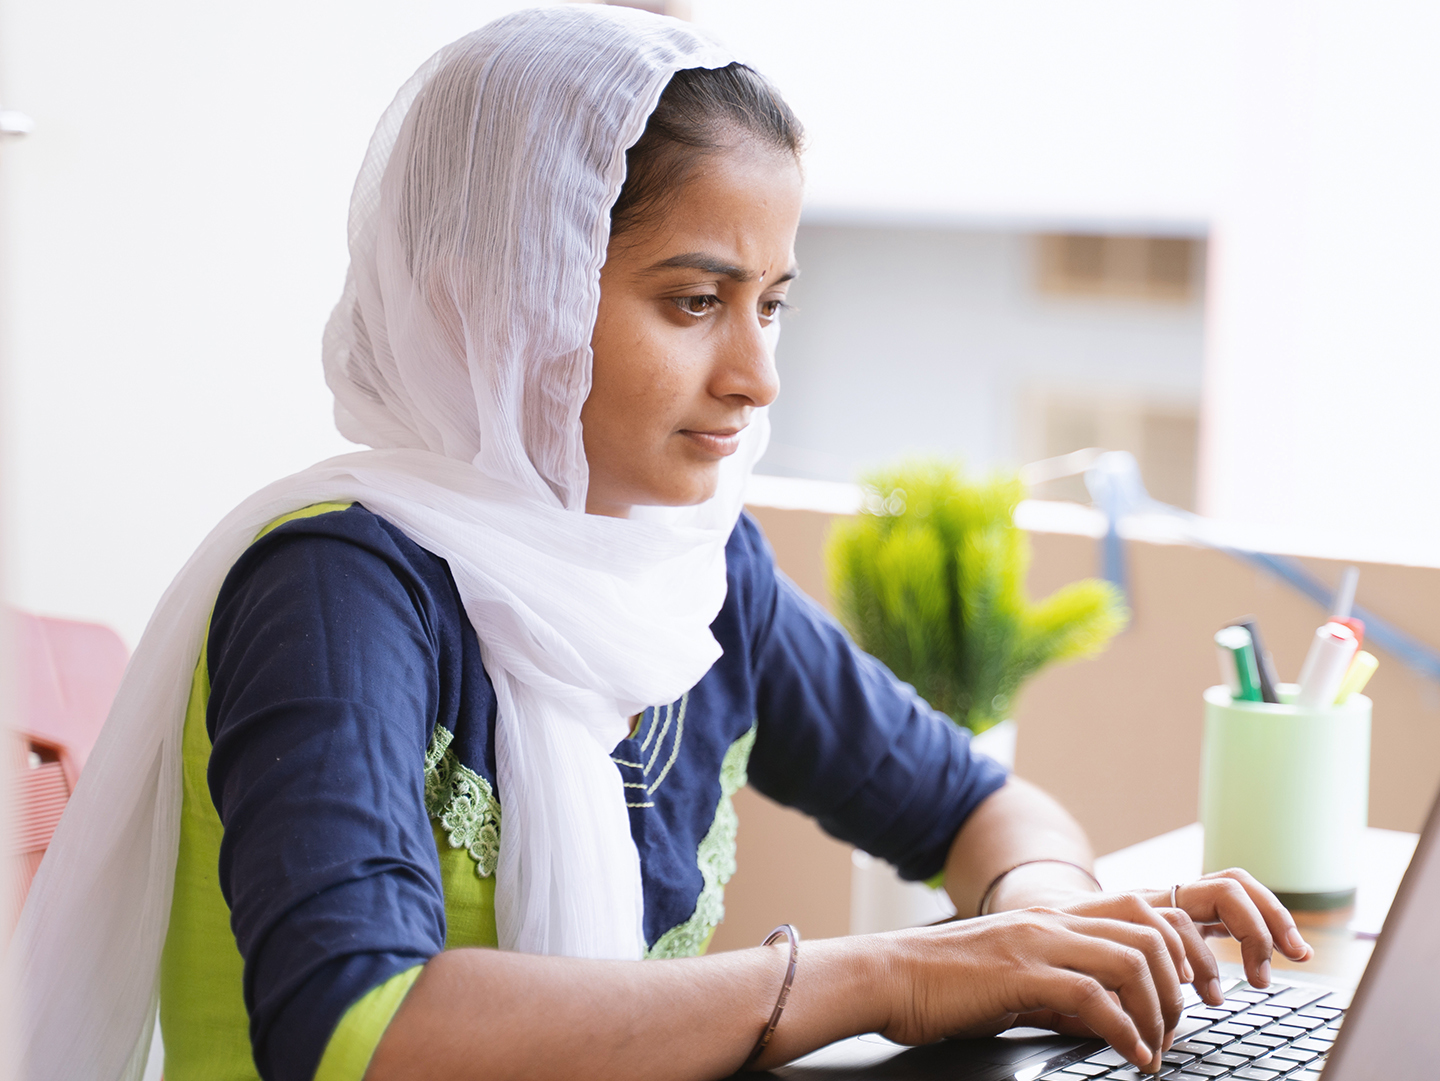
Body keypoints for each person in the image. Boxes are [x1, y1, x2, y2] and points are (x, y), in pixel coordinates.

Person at [9, 9, 1311, 1081]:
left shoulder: (696, 569)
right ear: (491, 293)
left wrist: (1039, 922)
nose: (755, 376)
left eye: (773, 305)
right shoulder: (339, 585)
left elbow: (977, 802)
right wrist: (895, 975)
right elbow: (363, 1030)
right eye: (695, 301)